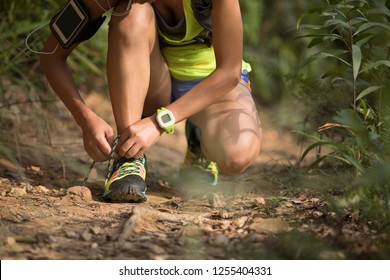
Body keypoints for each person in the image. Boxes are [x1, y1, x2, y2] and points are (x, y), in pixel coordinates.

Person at [40, 0, 262, 203]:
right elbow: (51, 55)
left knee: (236, 156)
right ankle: (128, 159)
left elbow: (229, 72)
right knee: (131, 12)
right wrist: (85, 119)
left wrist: (158, 122)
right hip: (155, 84)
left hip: (210, 86)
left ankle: (198, 140)